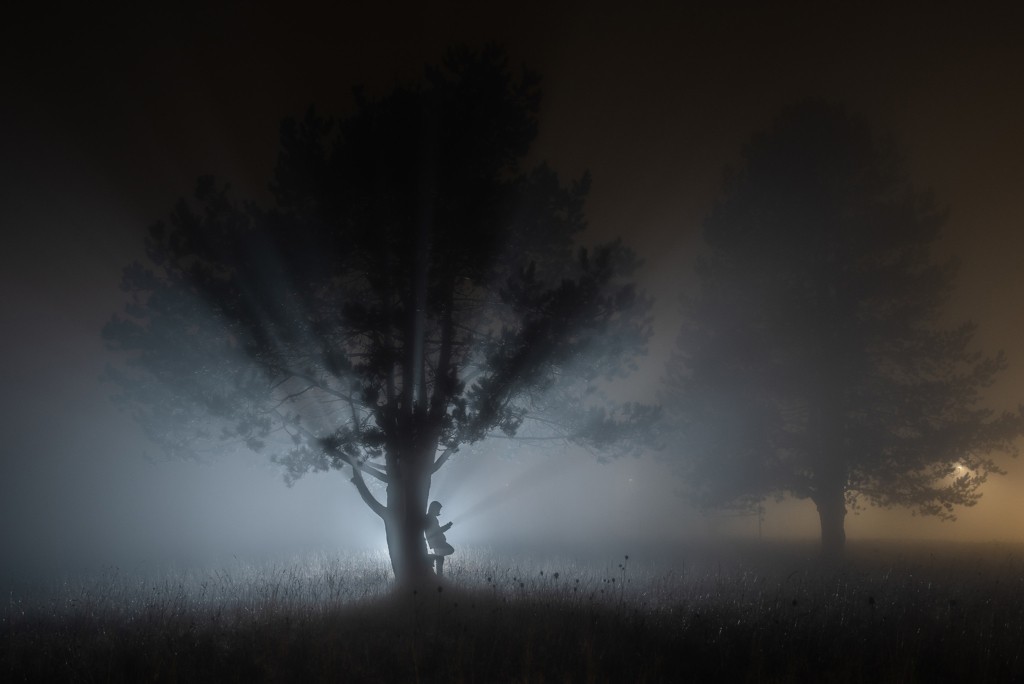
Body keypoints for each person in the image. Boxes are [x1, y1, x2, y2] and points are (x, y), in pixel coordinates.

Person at [424, 500, 454, 576]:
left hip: (435, 541)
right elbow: (437, 531)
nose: (438, 511)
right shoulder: (431, 518)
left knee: (440, 559)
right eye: (438, 509)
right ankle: (432, 557)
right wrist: (447, 526)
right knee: (449, 550)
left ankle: (439, 576)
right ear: (434, 508)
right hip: (437, 541)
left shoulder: (431, 518)